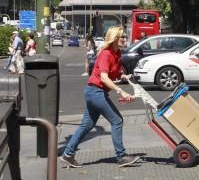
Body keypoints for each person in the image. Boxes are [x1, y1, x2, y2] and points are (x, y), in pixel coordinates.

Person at [60, 26, 140, 168]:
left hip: (98, 92)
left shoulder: (117, 54)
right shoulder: (106, 54)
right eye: (122, 37)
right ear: (115, 38)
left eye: (124, 37)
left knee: (87, 125)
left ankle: (68, 154)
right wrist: (121, 91)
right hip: (95, 92)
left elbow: (112, 74)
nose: (125, 39)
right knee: (117, 120)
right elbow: (103, 78)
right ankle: (121, 157)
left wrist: (123, 76)